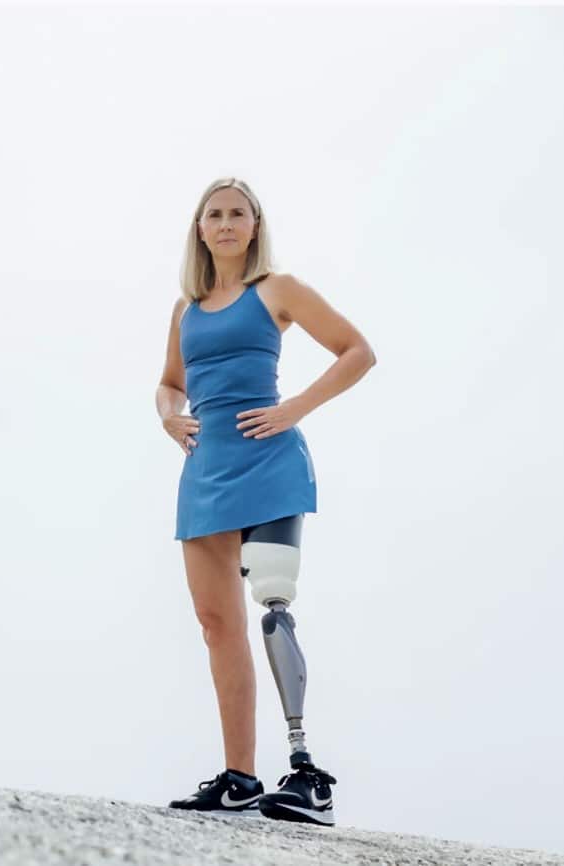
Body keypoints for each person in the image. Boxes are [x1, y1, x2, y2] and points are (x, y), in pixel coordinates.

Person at [154, 177, 376, 825]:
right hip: (205, 472)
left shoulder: (276, 290)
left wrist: (294, 409)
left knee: (274, 604)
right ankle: (240, 780)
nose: (225, 223)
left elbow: (357, 351)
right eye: (214, 214)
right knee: (216, 625)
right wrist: (171, 418)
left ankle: (309, 779)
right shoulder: (184, 309)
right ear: (200, 229)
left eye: (237, 214)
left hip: (270, 461)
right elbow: (169, 385)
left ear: (254, 226)